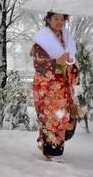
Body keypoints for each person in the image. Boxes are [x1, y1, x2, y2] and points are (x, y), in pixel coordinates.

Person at [31, 12, 79, 163]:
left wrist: (70, 64)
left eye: (62, 18)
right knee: (52, 117)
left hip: (62, 84)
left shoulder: (66, 39)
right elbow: (39, 63)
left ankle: (52, 149)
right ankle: (52, 152)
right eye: (55, 18)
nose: (59, 22)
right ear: (48, 20)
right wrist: (57, 62)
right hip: (48, 85)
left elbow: (71, 64)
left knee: (62, 117)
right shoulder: (43, 39)